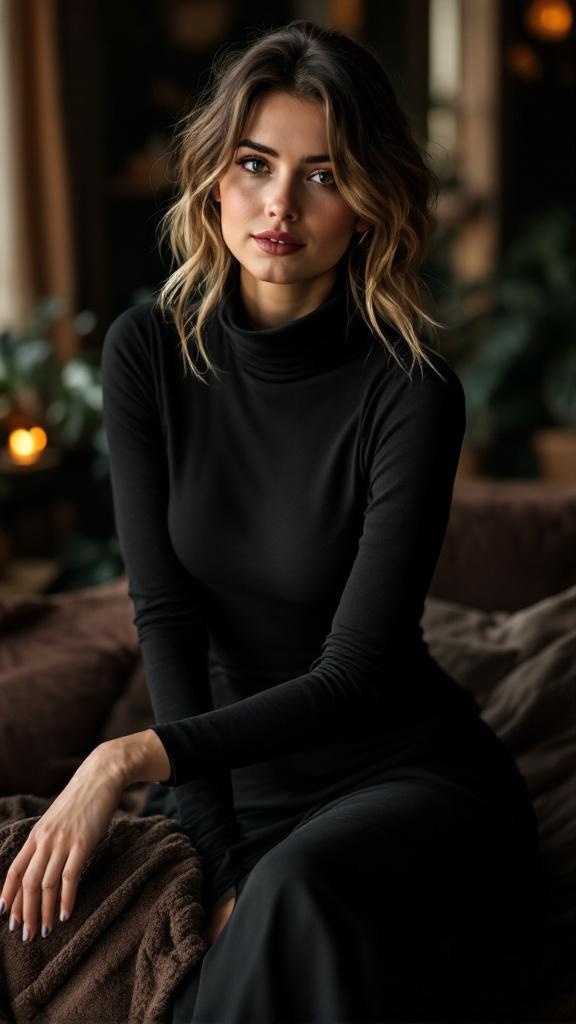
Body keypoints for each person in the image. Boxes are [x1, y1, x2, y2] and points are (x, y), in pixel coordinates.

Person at [0, 19, 544, 1023]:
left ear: (369, 205)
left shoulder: (411, 392)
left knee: (295, 895)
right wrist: (213, 853)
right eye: (256, 164)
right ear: (215, 177)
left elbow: (353, 674)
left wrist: (128, 756)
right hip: (228, 781)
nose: (280, 205)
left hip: (395, 774)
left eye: (324, 175)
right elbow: (164, 615)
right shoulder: (148, 353)